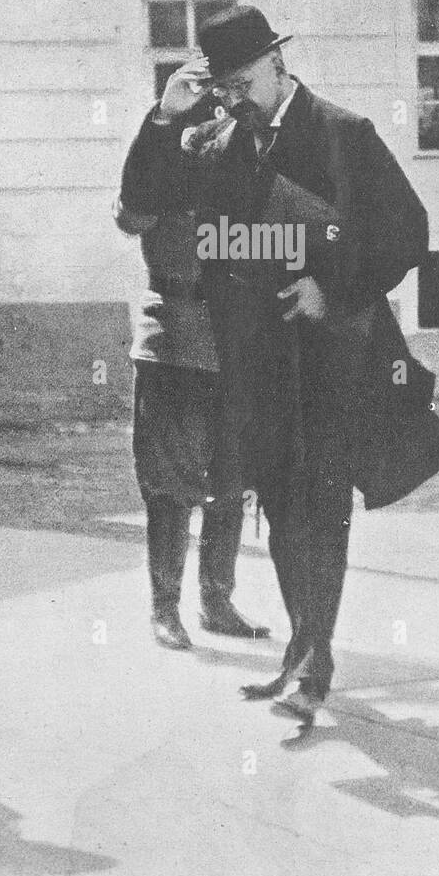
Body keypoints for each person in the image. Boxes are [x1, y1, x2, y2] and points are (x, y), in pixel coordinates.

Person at [170, 4, 439, 723]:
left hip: (334, 358)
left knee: (321, 503)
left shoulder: (342, 132)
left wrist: (333, 286)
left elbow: (408, 231)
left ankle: (313, 660)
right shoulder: (230, 141)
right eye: (223, 90)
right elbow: (212, 236)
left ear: (276, 63)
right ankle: (301, 648)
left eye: (241, 83)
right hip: (261, 359)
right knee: (279, 501)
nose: (233, 100)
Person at [114, 85, 270, 650]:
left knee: (232, 478)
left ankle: (217, 600)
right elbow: (131, 215)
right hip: (174, 341)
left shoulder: (248, 175)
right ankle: (165, 608)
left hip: (236, 343)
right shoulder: (158, 170)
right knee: (170, 482)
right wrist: (160, 121)